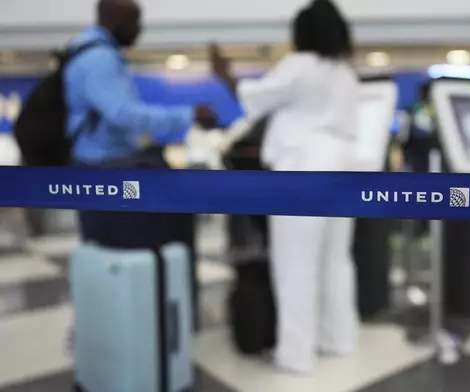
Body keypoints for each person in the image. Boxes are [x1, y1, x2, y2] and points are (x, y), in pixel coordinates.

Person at [214, 0, 360, 374]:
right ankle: (338, 339)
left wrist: (225, 73)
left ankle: (295, 355)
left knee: (295, 263)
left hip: (302, 170)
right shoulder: (345, 73)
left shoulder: (300, 65)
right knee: (336, 261)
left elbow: (254, 98)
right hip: (343, 169)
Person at [63, 0, 216, 345]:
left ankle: (110, 327)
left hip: (102, 171)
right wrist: (187, 116)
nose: (139, 30)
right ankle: (127, 330)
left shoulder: (91, 54)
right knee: (128, 248)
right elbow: (122, 113)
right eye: (136, 21)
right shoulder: (99, 59)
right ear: (113, 17)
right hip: (105, 174)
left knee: (103, 251)